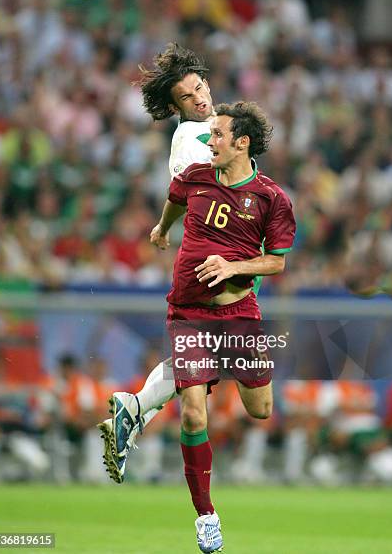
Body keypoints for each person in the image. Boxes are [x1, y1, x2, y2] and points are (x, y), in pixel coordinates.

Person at [104, 101, 296, 552]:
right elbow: (173, 202)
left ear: (242, 143)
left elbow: (277, 262)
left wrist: (232, 267)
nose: (210, 141)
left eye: (218, 135)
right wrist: (161, 229)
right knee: (193, 411)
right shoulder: (196, 177)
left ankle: (139, 403)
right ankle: (206, 516)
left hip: (240, 315)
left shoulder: (272, 198)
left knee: (261, 409)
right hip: (190, 311)